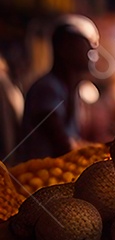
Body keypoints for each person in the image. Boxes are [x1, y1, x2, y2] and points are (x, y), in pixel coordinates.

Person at [15, 17, 97, 163]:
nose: (91, 49)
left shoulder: (72, 89)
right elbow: (62, 144)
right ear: (64, 48)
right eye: (84, 43)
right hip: (39, 179)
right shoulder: (47, 89)